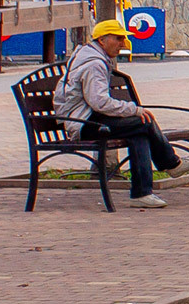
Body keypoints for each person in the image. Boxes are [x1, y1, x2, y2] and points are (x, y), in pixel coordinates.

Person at [54, 18, 181, 206]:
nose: (122, 44)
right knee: (143, 122)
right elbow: (99, 102)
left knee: (139, 132)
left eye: (123, 39)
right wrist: (133, 109)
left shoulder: (93, 58)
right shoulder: (94, 64)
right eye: (118, 39)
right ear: (102, 40)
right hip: (84, 124)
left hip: (90, 120)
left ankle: (143, 194)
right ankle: (170, 164)